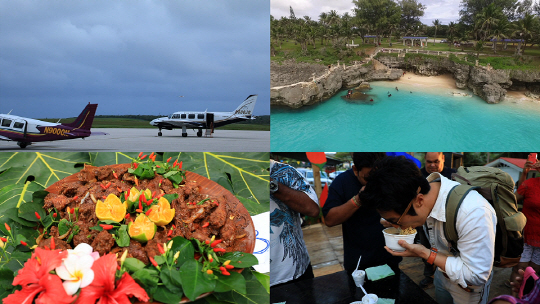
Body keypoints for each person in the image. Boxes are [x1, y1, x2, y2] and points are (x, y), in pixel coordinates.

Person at [359, 156, 496, 304]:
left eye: (396, 221)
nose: (398, 227)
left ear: (419, 201)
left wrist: (425, 254)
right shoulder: (423, 192)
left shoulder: (473, 212)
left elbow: (477, 275)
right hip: (441, 274)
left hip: (468, 290)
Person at [322, 153, 401, 275]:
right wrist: (358, 200)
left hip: (389, 256)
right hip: (358, 261)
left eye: (377, 177)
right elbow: (329, 220)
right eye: (368, 178)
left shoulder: (388, 177)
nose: (373, 183)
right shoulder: (342, 182)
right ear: (355, 170)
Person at [270, 159, 320, 288]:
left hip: (293, 274)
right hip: (247, 278)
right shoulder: (219, 174)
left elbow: (312, 209)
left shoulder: (286, 171)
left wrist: (271, 184)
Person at [417, 152, 457, 288]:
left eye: (436, 161)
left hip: (447, 223)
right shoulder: (417, 175)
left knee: (448, 251)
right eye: (429, 162)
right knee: (425, 248)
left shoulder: (454, 175)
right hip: (424, 222)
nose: (432, 165)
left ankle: (450, 276)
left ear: (443, 159)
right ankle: (429, 275)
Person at [510, 156, 540, 289]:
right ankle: (513, 298)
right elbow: (513, 200)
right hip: (526, 235)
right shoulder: (530, 183)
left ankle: (526, 296)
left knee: (533, 272)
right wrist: (524, 173)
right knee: (519, 268)